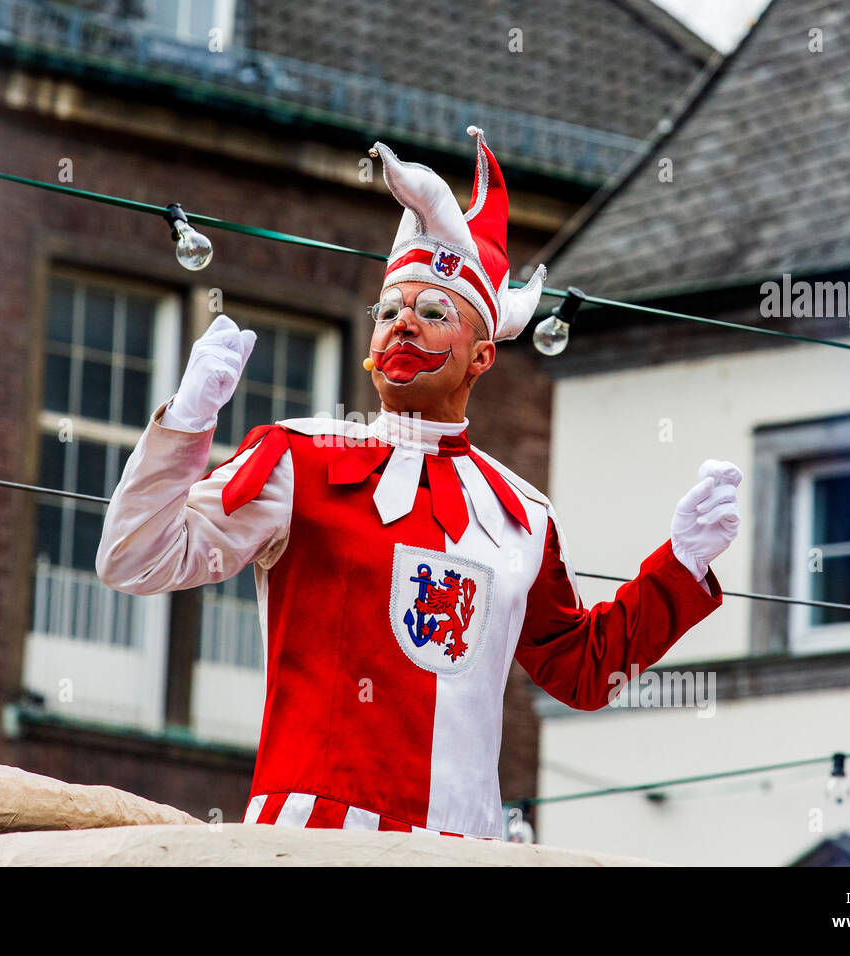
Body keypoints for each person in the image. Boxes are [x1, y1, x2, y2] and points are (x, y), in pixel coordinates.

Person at [96, 127, 741, 840]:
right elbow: (133, 559)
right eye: (390, 310)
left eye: (434, 312)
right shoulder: (299, 459)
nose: (403, 323)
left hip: (464, 850)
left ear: (482, 356)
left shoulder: (522, 513)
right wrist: (185, 426)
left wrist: (680, 568)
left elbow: (582, 672)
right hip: (312, 845)